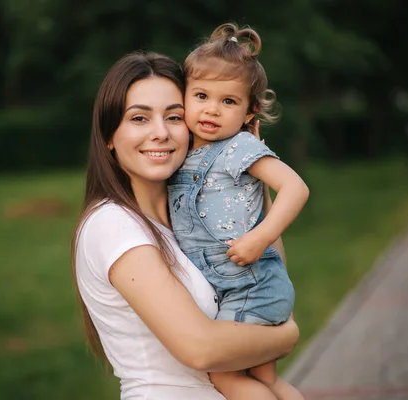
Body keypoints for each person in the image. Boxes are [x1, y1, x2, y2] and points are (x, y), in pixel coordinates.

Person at [71, 51, 299, 399]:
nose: (160, 133)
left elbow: (267, 272)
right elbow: (200, 350)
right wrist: (287, 337)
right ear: (108, 136)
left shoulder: (187, 219)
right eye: (139, 118)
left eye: (173, 117)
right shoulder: (113, 225)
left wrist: (251, 185)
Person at [168, 23, 309, 399]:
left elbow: (296, 187)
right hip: (231, 287)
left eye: (228, 101)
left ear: (250, 112)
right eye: (201, 95)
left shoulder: (239, 147)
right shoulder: (180, 156)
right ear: (183, 97)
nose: (212, 109)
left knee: (226, 378)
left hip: (251, 284)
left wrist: (260, 238)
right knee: (265, 381)